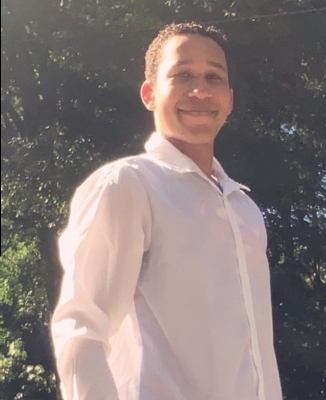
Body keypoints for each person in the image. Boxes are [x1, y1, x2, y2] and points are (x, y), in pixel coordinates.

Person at [51, 22, 282, 400]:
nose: (200, 90)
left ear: (229, 99)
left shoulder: (245, 209)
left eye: (213, 77)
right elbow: (82, 327)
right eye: (182, 75)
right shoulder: (129, 184)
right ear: (149, 93)